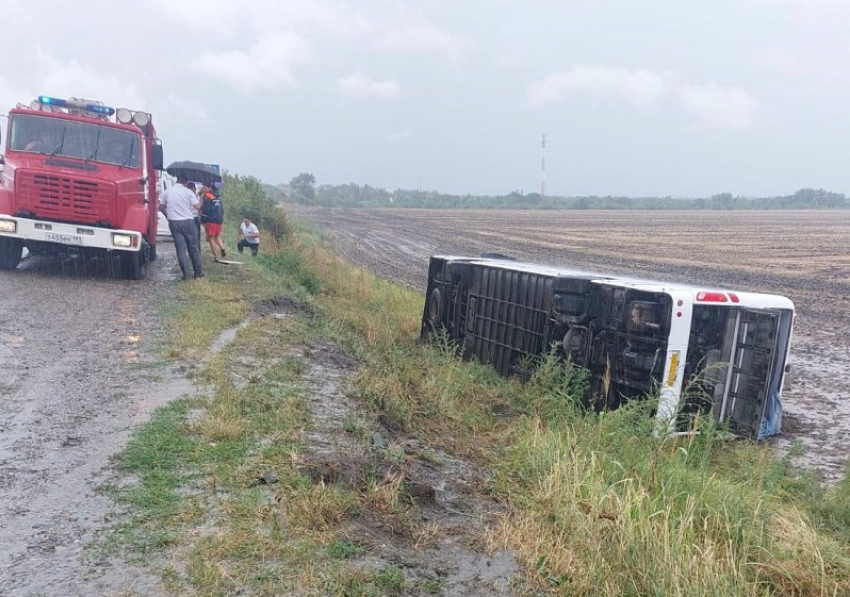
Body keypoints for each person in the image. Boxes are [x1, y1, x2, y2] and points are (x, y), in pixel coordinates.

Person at [159, 175, 204, 279]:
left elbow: (161, 206)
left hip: (174, 222)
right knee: (193, 247)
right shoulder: (188, 192)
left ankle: (186, 274)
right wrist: (200, 201)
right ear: (185, 182)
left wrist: (167, 216)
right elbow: (197, 207)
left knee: (180, 248)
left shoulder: (168, 191)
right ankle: (198, 273)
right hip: (188, 222)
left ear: (177, 180)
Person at [200, 184, 226, 261]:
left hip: (211, 221)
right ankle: (222, 248)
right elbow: (222, 210)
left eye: (204, 187)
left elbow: (206, 210)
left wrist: (203, 220)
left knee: (211, 237)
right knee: (217, 236)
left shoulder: (207, 197)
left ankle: (215, 257)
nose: (203, 189)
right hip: (219, 220)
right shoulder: (217, 197)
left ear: (209, 188)